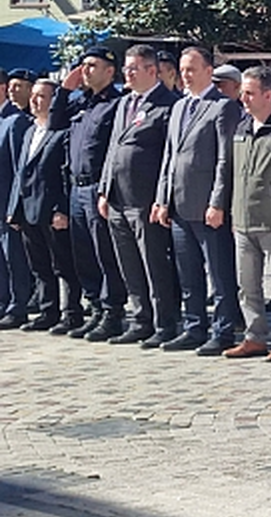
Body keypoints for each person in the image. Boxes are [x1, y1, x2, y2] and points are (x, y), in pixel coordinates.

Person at [153, 46, 243, 355]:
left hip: (207, 206)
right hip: (179, 204)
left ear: (209, 71)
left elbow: (224, 159)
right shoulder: (179, 107)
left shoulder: (222, 106)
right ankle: (194, 327)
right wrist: (162, 198)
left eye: (192, 69)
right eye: (183, 69)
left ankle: (224, 329)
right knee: (188, 272)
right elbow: (169, 155)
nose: (186, 75)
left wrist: (218, 202)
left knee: (218, 273)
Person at [96, 44, 181, 346]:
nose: (127, 74)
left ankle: (165, 323)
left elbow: (169, 158)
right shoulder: (124, 104)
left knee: (154, 263)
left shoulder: (168, 105)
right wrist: (104, 189)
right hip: (118, 198)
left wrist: (162, 198)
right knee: (129, 263)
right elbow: (113, 149)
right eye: (126, 69)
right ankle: (140, 318)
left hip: (145, 200)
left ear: (151, 70)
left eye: (133, 69)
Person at [224, 67, 271, 361]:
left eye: (250, 93)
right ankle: (254, 336)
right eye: (243, 92)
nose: (243, 98)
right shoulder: (241, 128)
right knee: (247, 285)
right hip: (242, 220)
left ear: (268, 95)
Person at [54, 48, 127, 339]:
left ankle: (113, 312)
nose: (85, 70)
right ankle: (95, 307)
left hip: (99, 186)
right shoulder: (80, 101)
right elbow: (57, 124)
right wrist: (64, 90)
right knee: (83, 253)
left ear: (110, 71)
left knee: (105, 253)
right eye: (83, 65)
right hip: (76, 186)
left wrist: (107, 190)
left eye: (92, 65)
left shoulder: (115, 104)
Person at [7, 79, 80, 332]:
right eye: (35, 96)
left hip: (51, 208)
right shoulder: (29, 131)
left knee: (62, 264)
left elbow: (64, 174)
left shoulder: (61, 132)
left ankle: (71, 313)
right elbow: (21, 173)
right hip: (28, 209)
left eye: (43, 96)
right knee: (39, 265)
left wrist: (62, 209)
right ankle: (48, 311)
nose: (37, 101)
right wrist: (13, 209)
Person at [0, 69, 33, 330]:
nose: (12, 90)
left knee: (15, 257)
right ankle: (4, 301)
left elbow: (17, 168)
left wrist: (15, 206)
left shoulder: (16, 120)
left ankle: (17, 305)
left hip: (7, 202)